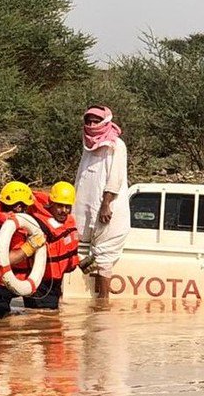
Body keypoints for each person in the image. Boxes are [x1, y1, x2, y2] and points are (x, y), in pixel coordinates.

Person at [72, 105, 130, 300]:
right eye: (88, 121)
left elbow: (116, 177)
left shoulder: (116, 145)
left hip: (107, 206)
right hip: (85, 205)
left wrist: (106, 204)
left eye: (96, 121)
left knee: (104, 254)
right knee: (80, 247)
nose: (91, 124)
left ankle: (102, 303)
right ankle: (87, 300)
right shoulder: (87, 145)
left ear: (105, 122)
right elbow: (81, 175)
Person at [0, 181, 46, 319]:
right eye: (21, 205)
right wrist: (30, 247)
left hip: (8, 287)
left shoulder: (25, 225)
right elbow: (7, 259)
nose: (23, 208)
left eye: (25, 206)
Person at [23, 181, 80, 310]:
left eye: (67, 207)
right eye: (60, 206)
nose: (64, 211)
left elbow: (67, 250)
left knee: (53, 324)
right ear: (51, 204)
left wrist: (79, 262)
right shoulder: (38, 224)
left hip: (56, 283)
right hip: (39, 283)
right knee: (43, 322)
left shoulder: (68, 222)